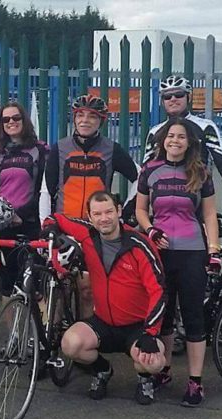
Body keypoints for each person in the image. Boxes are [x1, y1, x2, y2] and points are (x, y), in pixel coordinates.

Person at [42, 191, 166, 404]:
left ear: (118, 211)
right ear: (90, 217)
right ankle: (102, 370)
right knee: (70, 344)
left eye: (109, 212)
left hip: (137, 326)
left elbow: (159, 291)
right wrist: (50, 229)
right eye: (97, 214)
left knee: (154, 362)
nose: (104, 218)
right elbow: (55, 218)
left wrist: (150, 332)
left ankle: (145, 379)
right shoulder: (87, 233)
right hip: (104, 323)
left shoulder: (139, 244)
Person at [135, 117, 220, 408]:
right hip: (160, 251)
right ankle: (165, 370)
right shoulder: (150, 170)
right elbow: (140, 209)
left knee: (194, 316)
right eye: (170, 136)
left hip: (192, 251)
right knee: (165, 314)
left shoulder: (200, 172)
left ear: (189, 143)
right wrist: (150, 229)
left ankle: (195, 382)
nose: (175, 141)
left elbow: (209, 215)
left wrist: (214, 248)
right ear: (163, 141)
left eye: (181, 137)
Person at [40, 94, 138, 321]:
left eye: (92, 116)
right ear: (74, 119)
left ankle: (86, 335)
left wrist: (126, 212)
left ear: (101, 120)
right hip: (64, 226)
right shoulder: (60, 148)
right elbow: (46, 189)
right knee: (58, 286)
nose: (85, 120)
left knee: (86, 290)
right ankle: (52, 339)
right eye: (80, 115)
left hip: (94, 230)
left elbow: (140, 177)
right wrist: (45, 223)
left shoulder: (111, 149)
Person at [141, 75, 222, 216]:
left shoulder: (206, 127)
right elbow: (144, 173)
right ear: (162, 102)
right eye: (167, 96)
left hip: (198, 199)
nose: (173, 99)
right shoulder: (155, 132)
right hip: (165, 200)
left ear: (189, 97)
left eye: (179, 94)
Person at [0, 100, 47, 299]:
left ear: (24, 120)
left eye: (15, 117)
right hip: (4, 226)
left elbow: (45, 190)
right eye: (6, 119)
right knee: (8, 283)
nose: (11, 122)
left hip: (30, 224)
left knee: (33, 284)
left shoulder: (41, 150)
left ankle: (36, 329)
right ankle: (13, 330)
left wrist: (21, 214)